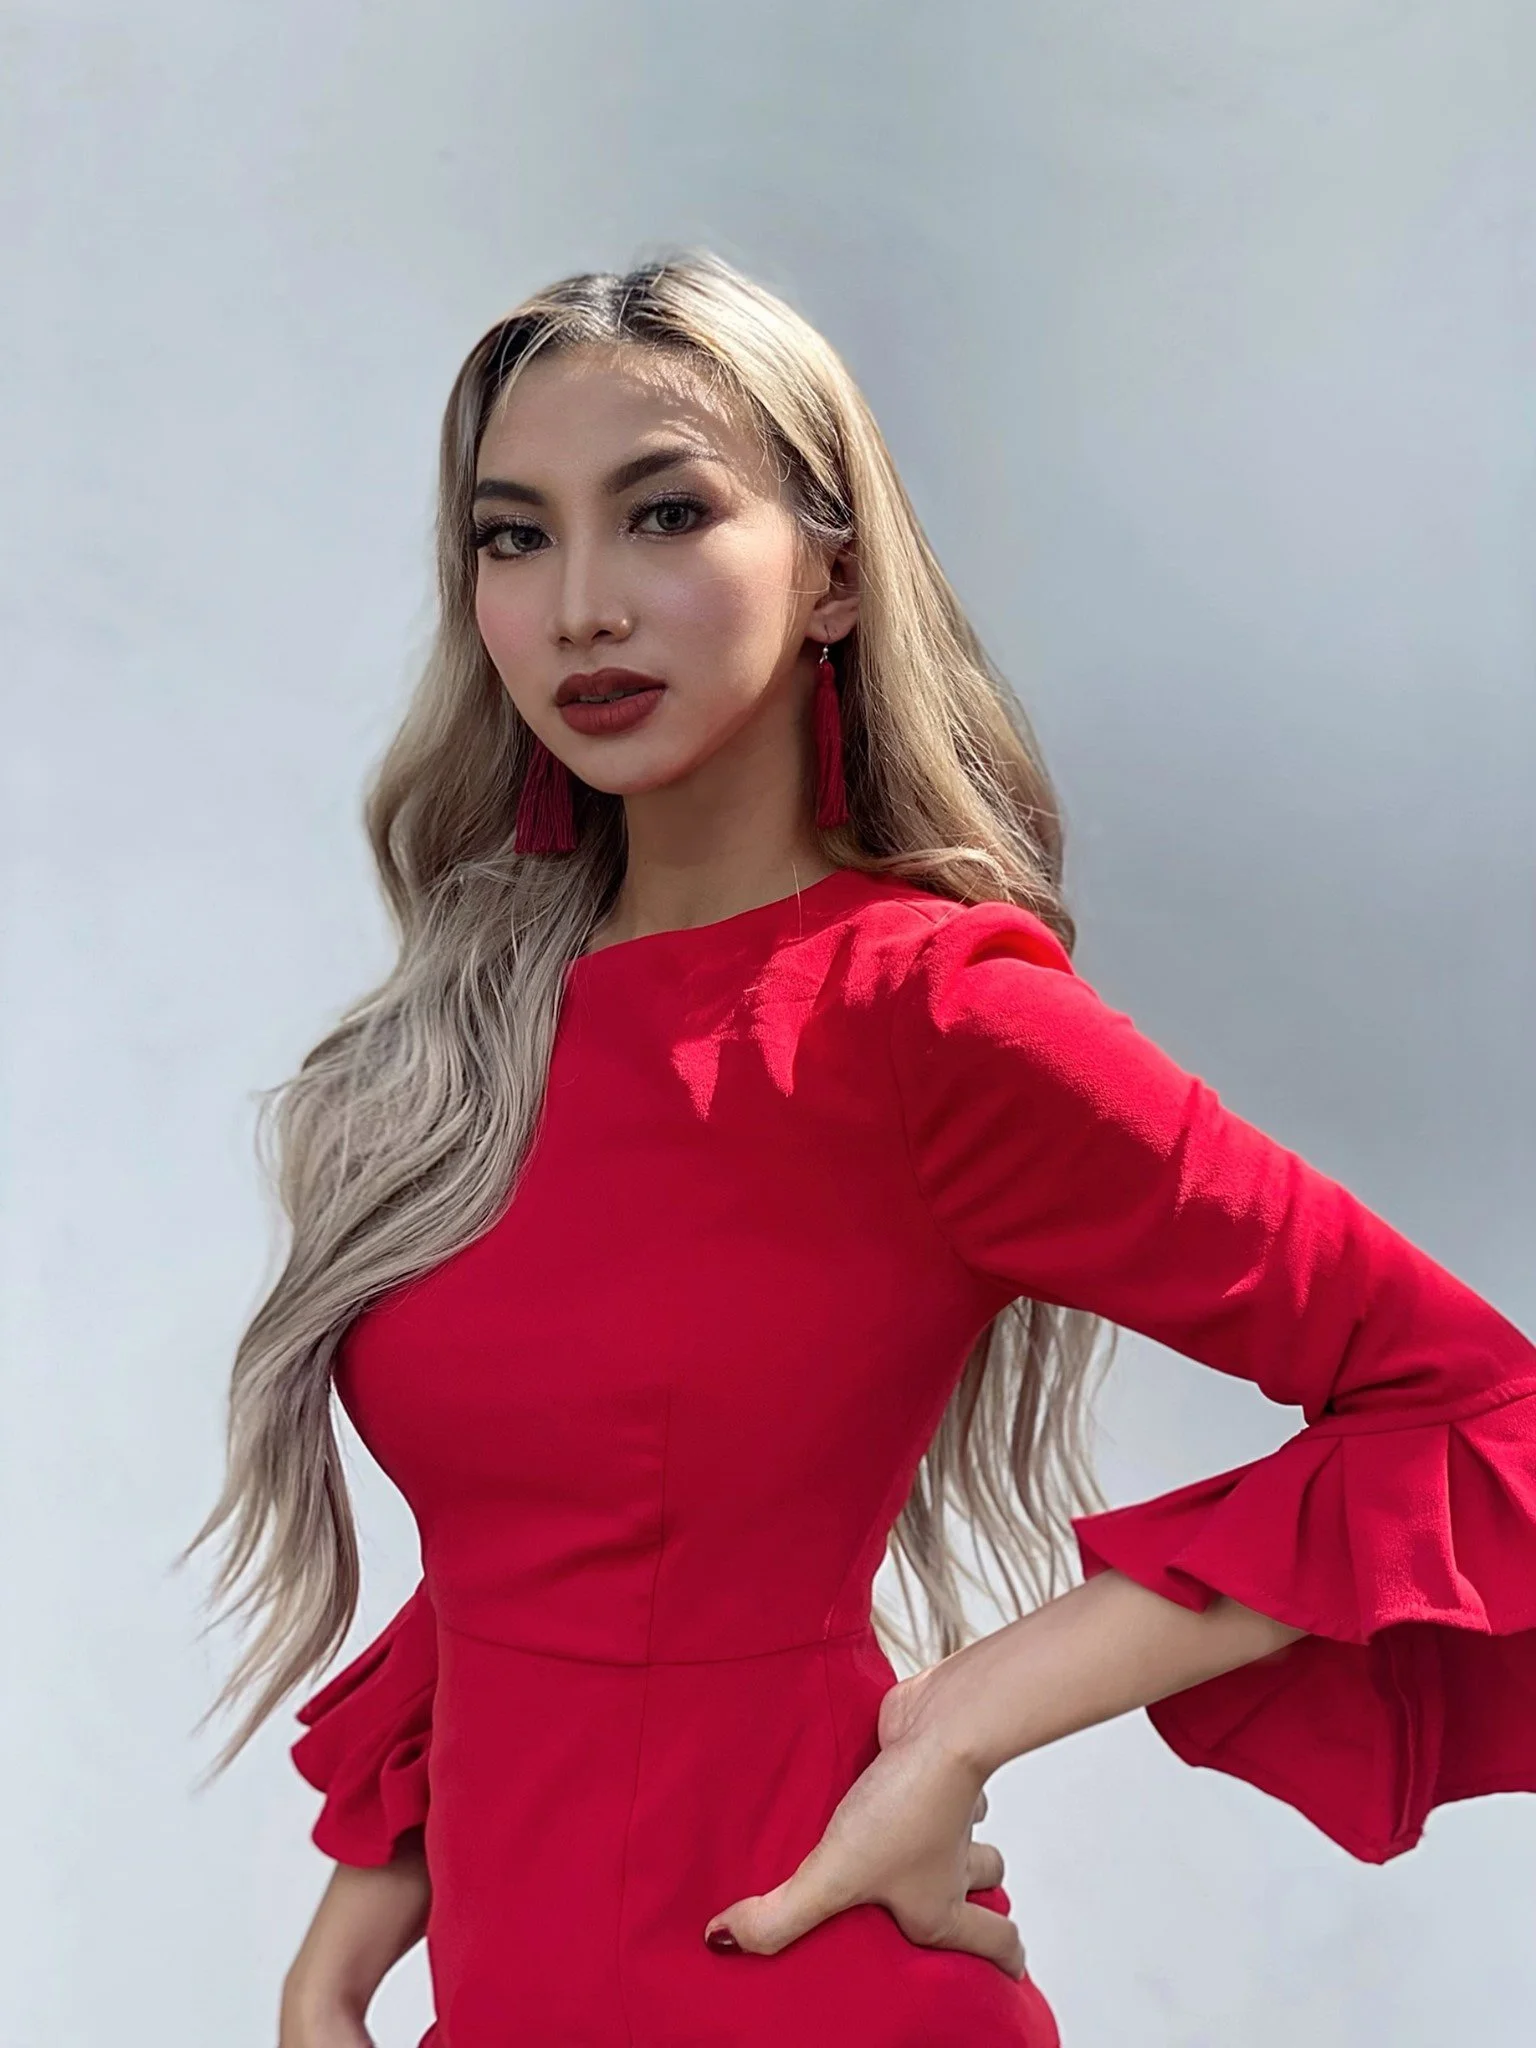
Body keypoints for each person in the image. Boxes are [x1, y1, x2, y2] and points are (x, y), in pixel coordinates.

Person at [180, 249, 1536, 2048]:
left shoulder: (929, 1018)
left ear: (829, 570)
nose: (582, 604)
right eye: (515, 536)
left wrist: (964, 1723)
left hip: (795, 1986)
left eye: (664, 513)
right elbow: (551, 1542)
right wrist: (342, 1954)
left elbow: (1480, 1409)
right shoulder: (484, 1029)